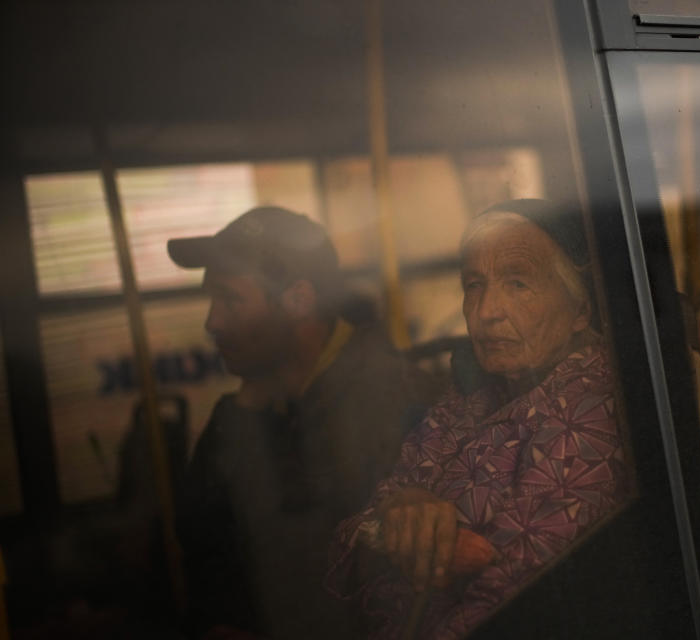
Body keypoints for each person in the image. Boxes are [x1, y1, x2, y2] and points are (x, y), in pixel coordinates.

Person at [326, 199, 631, 639]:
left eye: (518, 283)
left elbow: (512, 603)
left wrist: (405, 543)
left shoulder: (589, 414)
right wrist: (399, 514)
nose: (487, 311)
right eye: (473, 285)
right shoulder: (469, 397)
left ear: (580, 310)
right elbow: (349, 540)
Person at [167, 207, 438, 639]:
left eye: (231, 300)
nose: (212, 321)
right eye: (211, 299)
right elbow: (206, 554)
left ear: (298, 300)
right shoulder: (245, 414)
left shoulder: (399, 405)